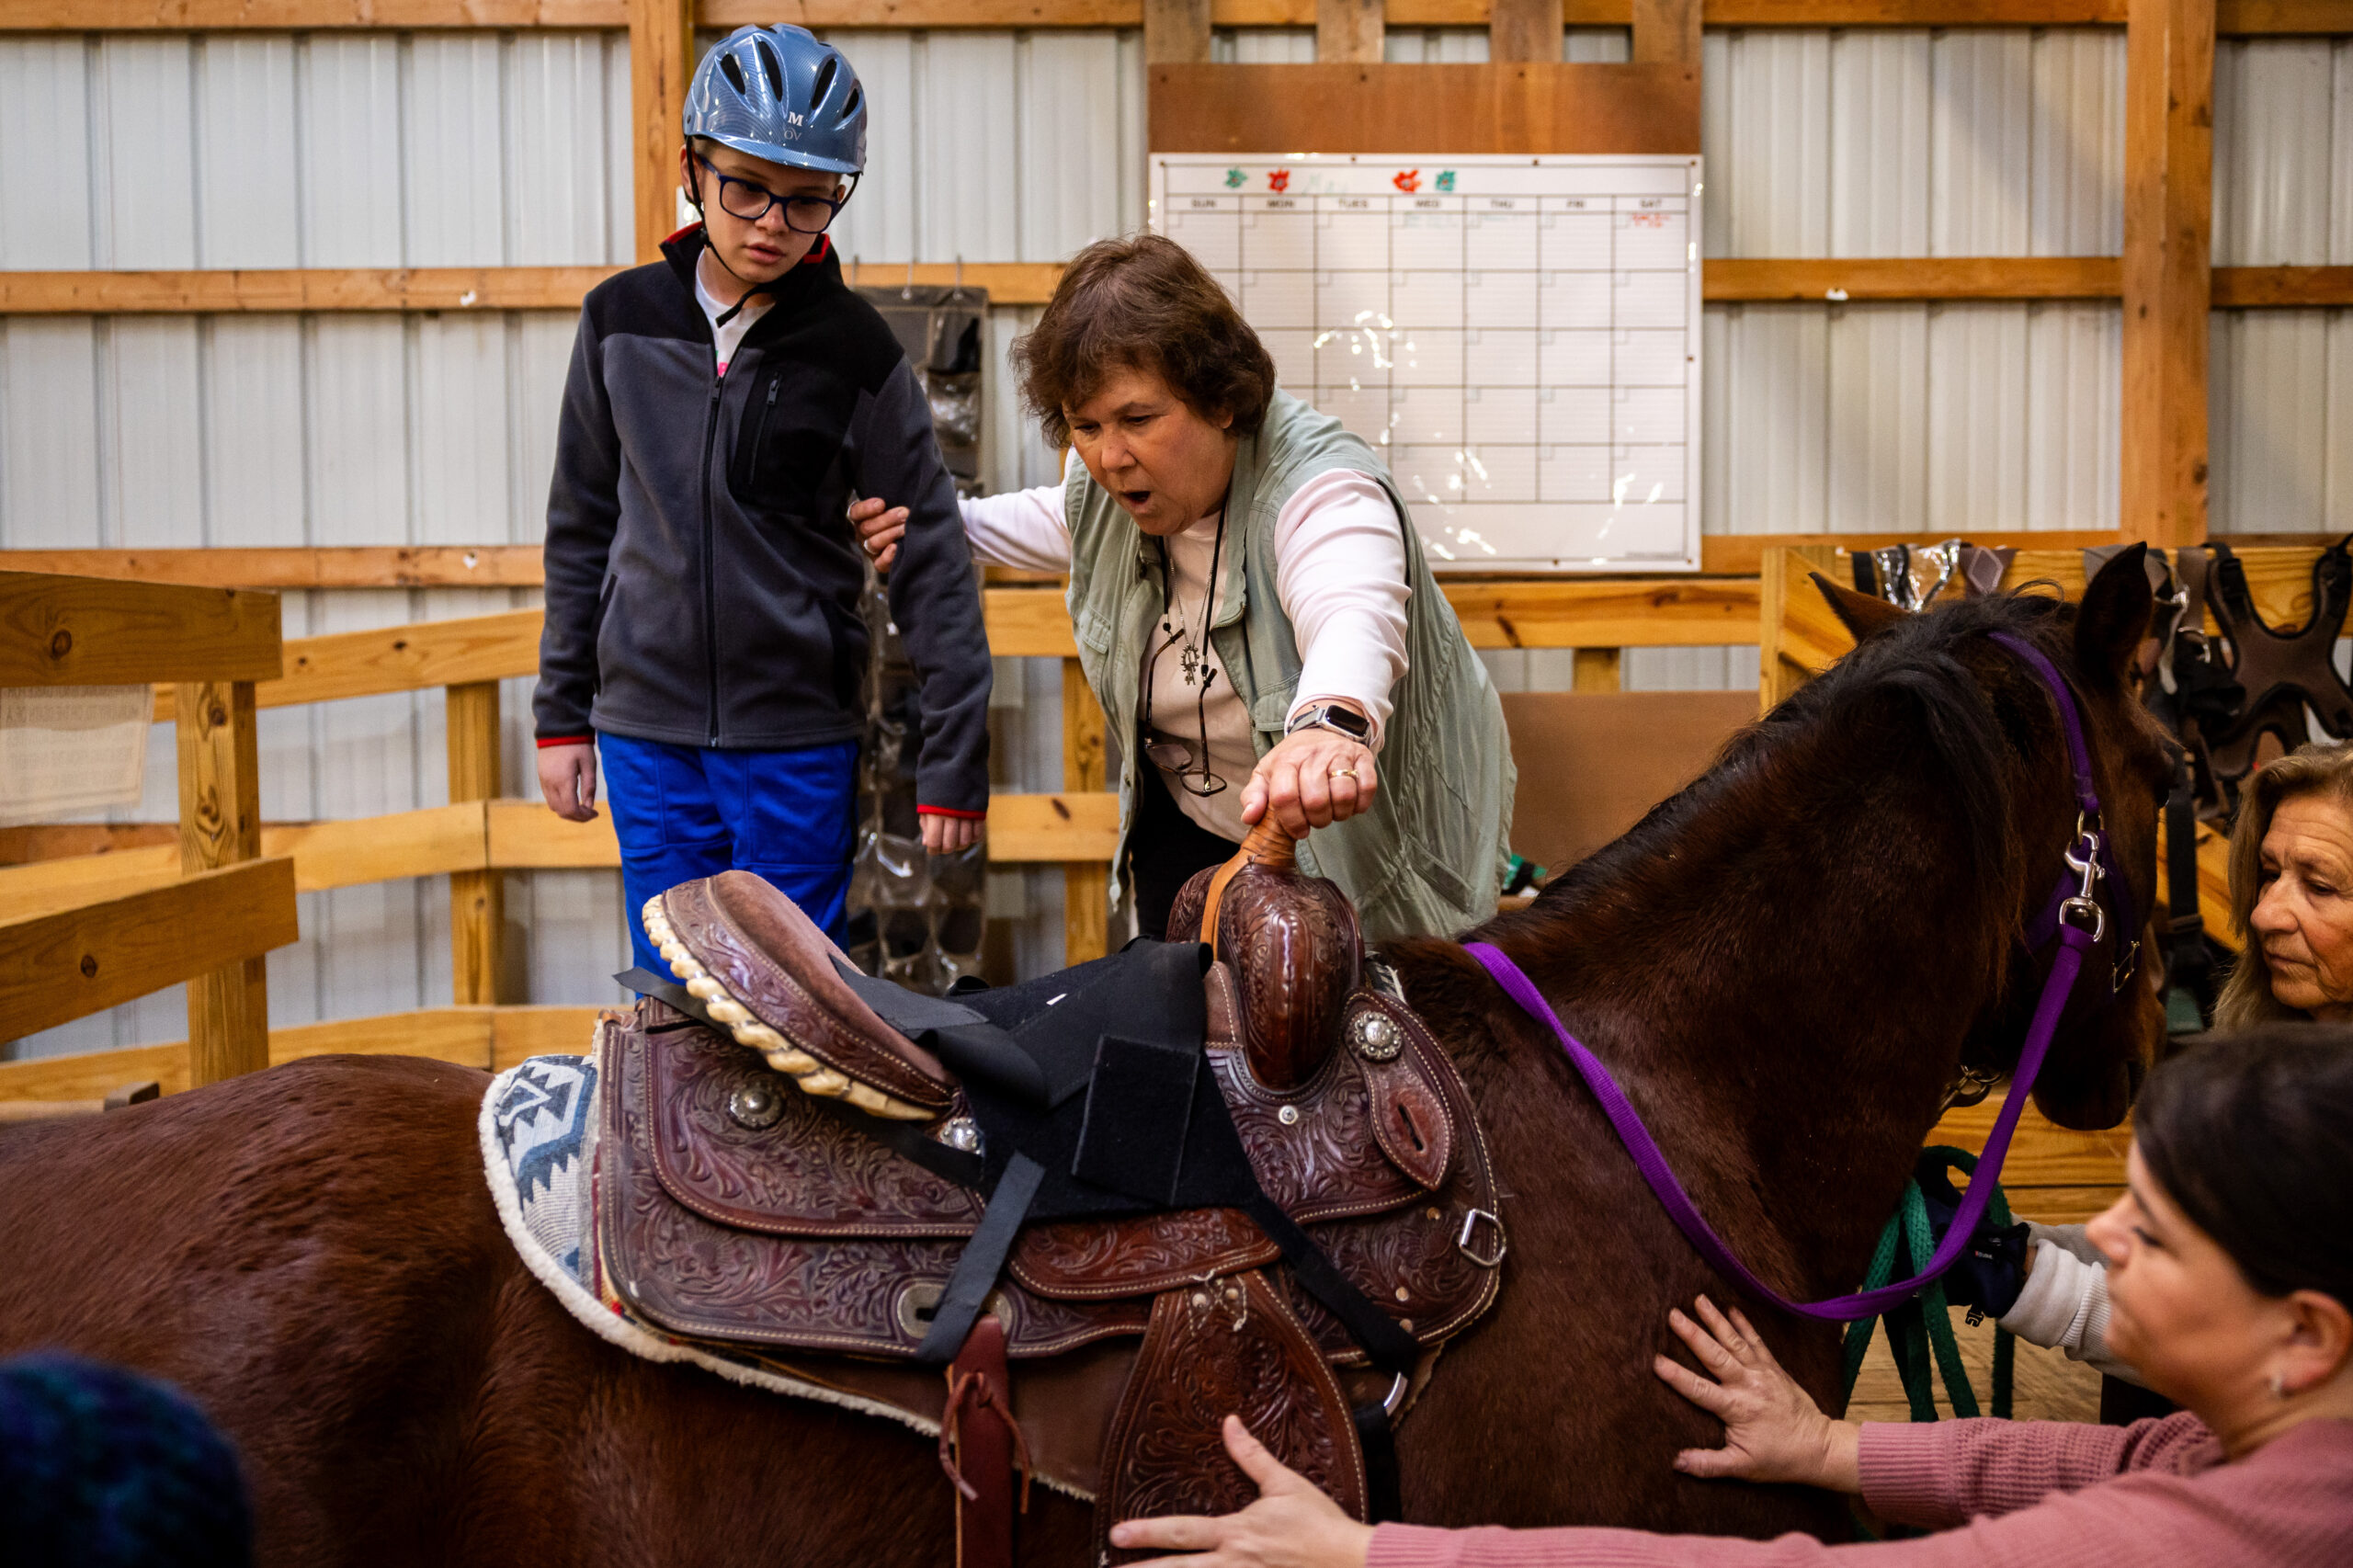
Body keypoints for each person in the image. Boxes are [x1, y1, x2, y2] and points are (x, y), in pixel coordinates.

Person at [1109, 1024, 2353, 1566]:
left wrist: (1370, 1551)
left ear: (2305, 1333)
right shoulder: (2271, 1447)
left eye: (2158, 1230)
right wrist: (1833, 1446)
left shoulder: (2224, 1541)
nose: (2105, 1240)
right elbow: (2102, 1457)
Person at [851, 233, 1512, 943]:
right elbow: (1060, 519)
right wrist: (939, 527)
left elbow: (1351, 606)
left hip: (1364, 858)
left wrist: (1329, 726)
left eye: (1139, 420)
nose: (1109, 456)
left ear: (1222, 401)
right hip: (1192, 824)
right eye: (1086, 425)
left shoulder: (1323, 492)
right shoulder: (1110, 490)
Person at [534, 26, 991, 975]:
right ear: (694, 170)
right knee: (671, 998)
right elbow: (582, 524)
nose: (772, 222)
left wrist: (953, 761)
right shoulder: (617, 321)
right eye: (745, 186)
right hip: (645, 734)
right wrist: (562, 714)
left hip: (795, 740)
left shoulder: (860, 353)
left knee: (798, 1003)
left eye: (808, 200)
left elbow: (933, 554)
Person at [1927, 739, 2353, 1392]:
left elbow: (2269, 1363)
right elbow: (2186, 1264)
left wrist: (2023, 1279)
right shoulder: (2270, 1078)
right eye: (2268, 873)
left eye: (2320, 887)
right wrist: (1984, 1240)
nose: (2265, 913)